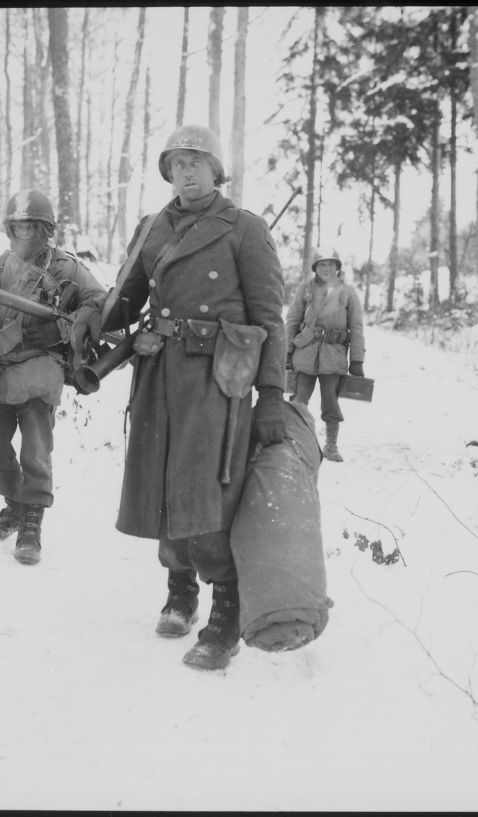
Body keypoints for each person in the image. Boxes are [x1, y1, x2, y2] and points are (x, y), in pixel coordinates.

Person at [102, 124, 288, 670]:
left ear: (216, 170)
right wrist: (87, 322)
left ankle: (225, 616)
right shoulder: (152, 228)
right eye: (176, 163)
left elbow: (270, 319)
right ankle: (180, 591)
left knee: (209, 490)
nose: (185, 171)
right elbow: (123, 299)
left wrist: (273, 393)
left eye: (196, 162)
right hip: (159, 371)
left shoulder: (244, 230)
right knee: (162, 482)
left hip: (218, 377)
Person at [0, 189, 107, 565]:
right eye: (18, 227)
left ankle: (32, 520)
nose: (25, 235)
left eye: (32, 227)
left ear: (47, 230)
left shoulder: (67, 269)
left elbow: (97, 302)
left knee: (35, 449)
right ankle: (15, 504)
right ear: (8, 229)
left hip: (40, 371)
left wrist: (63, 331)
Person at [285, 246, 366, 462]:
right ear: (315, 267)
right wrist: (286, 351)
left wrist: (357, 359)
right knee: (299, 401)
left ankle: (331, 446)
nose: (326, 268)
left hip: (333, 355)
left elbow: (357, 328)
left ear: (337, 267)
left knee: (331, 403)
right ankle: (295, 443)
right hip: (305, 353)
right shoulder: (305, 288)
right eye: (322, 264)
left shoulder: (347, 292)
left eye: (331, 264)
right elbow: (292, 321)